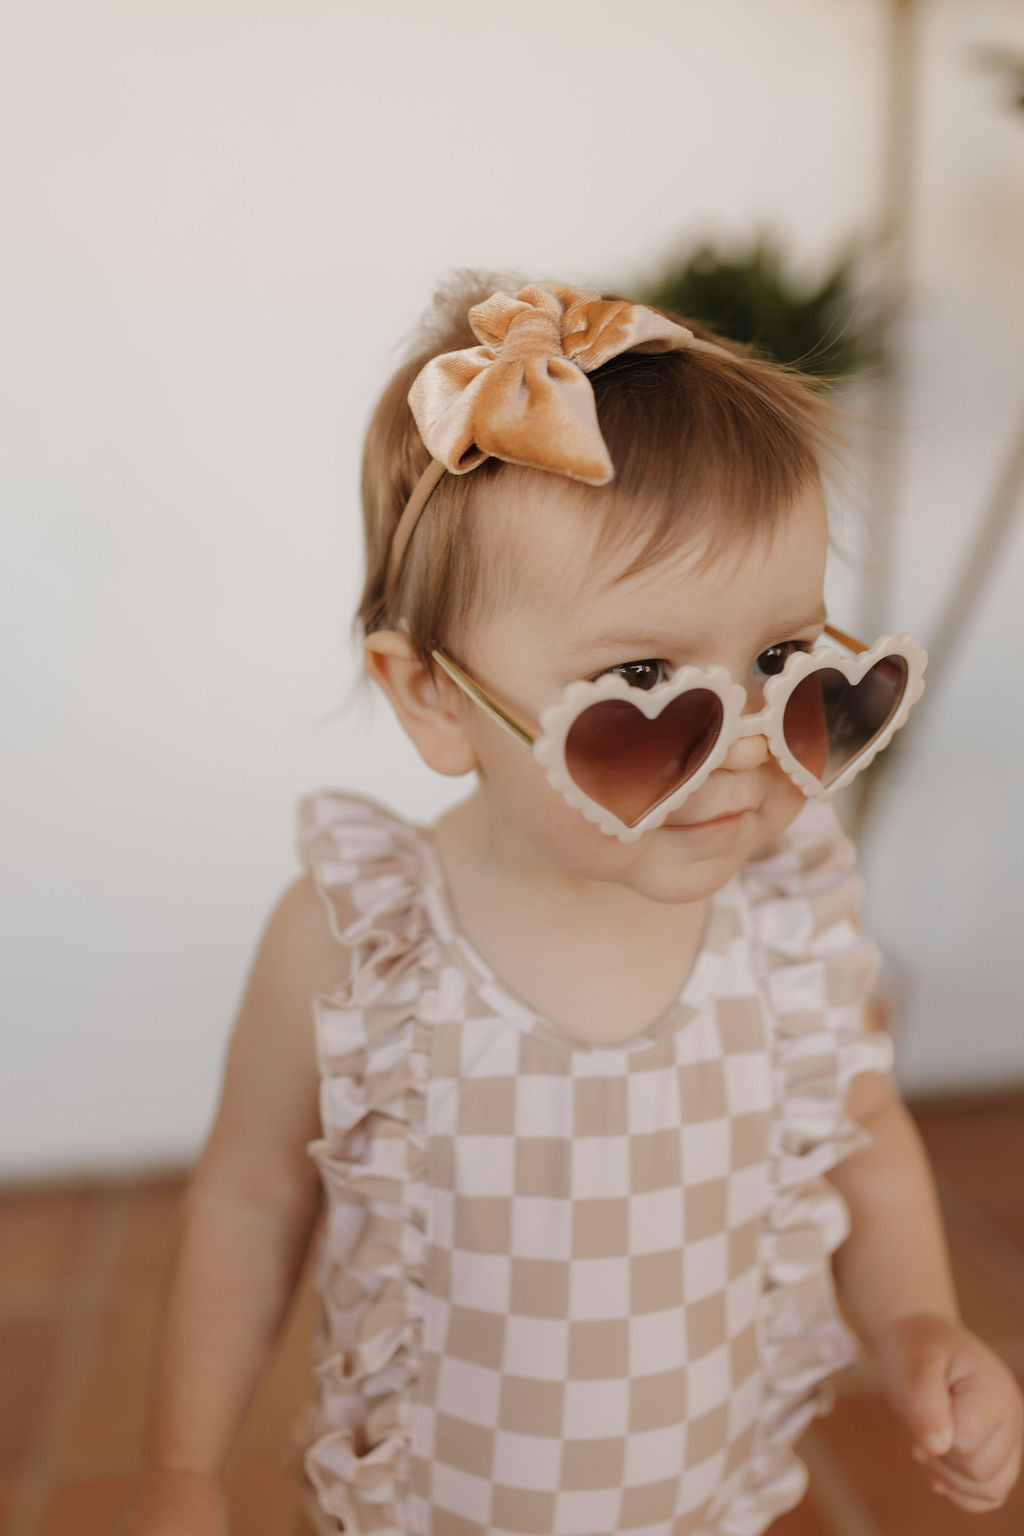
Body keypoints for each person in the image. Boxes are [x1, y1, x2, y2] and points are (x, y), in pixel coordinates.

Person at [119, 278, 1023, 1536]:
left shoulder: (789, 915)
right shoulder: (356, 938)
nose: (747, 747)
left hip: (701, 1502)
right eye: (643, 682)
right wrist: (181, 1472)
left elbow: (860, 1131)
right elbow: (252, 1198)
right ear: (435, 699)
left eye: (781, 660)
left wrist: (920, 1317)